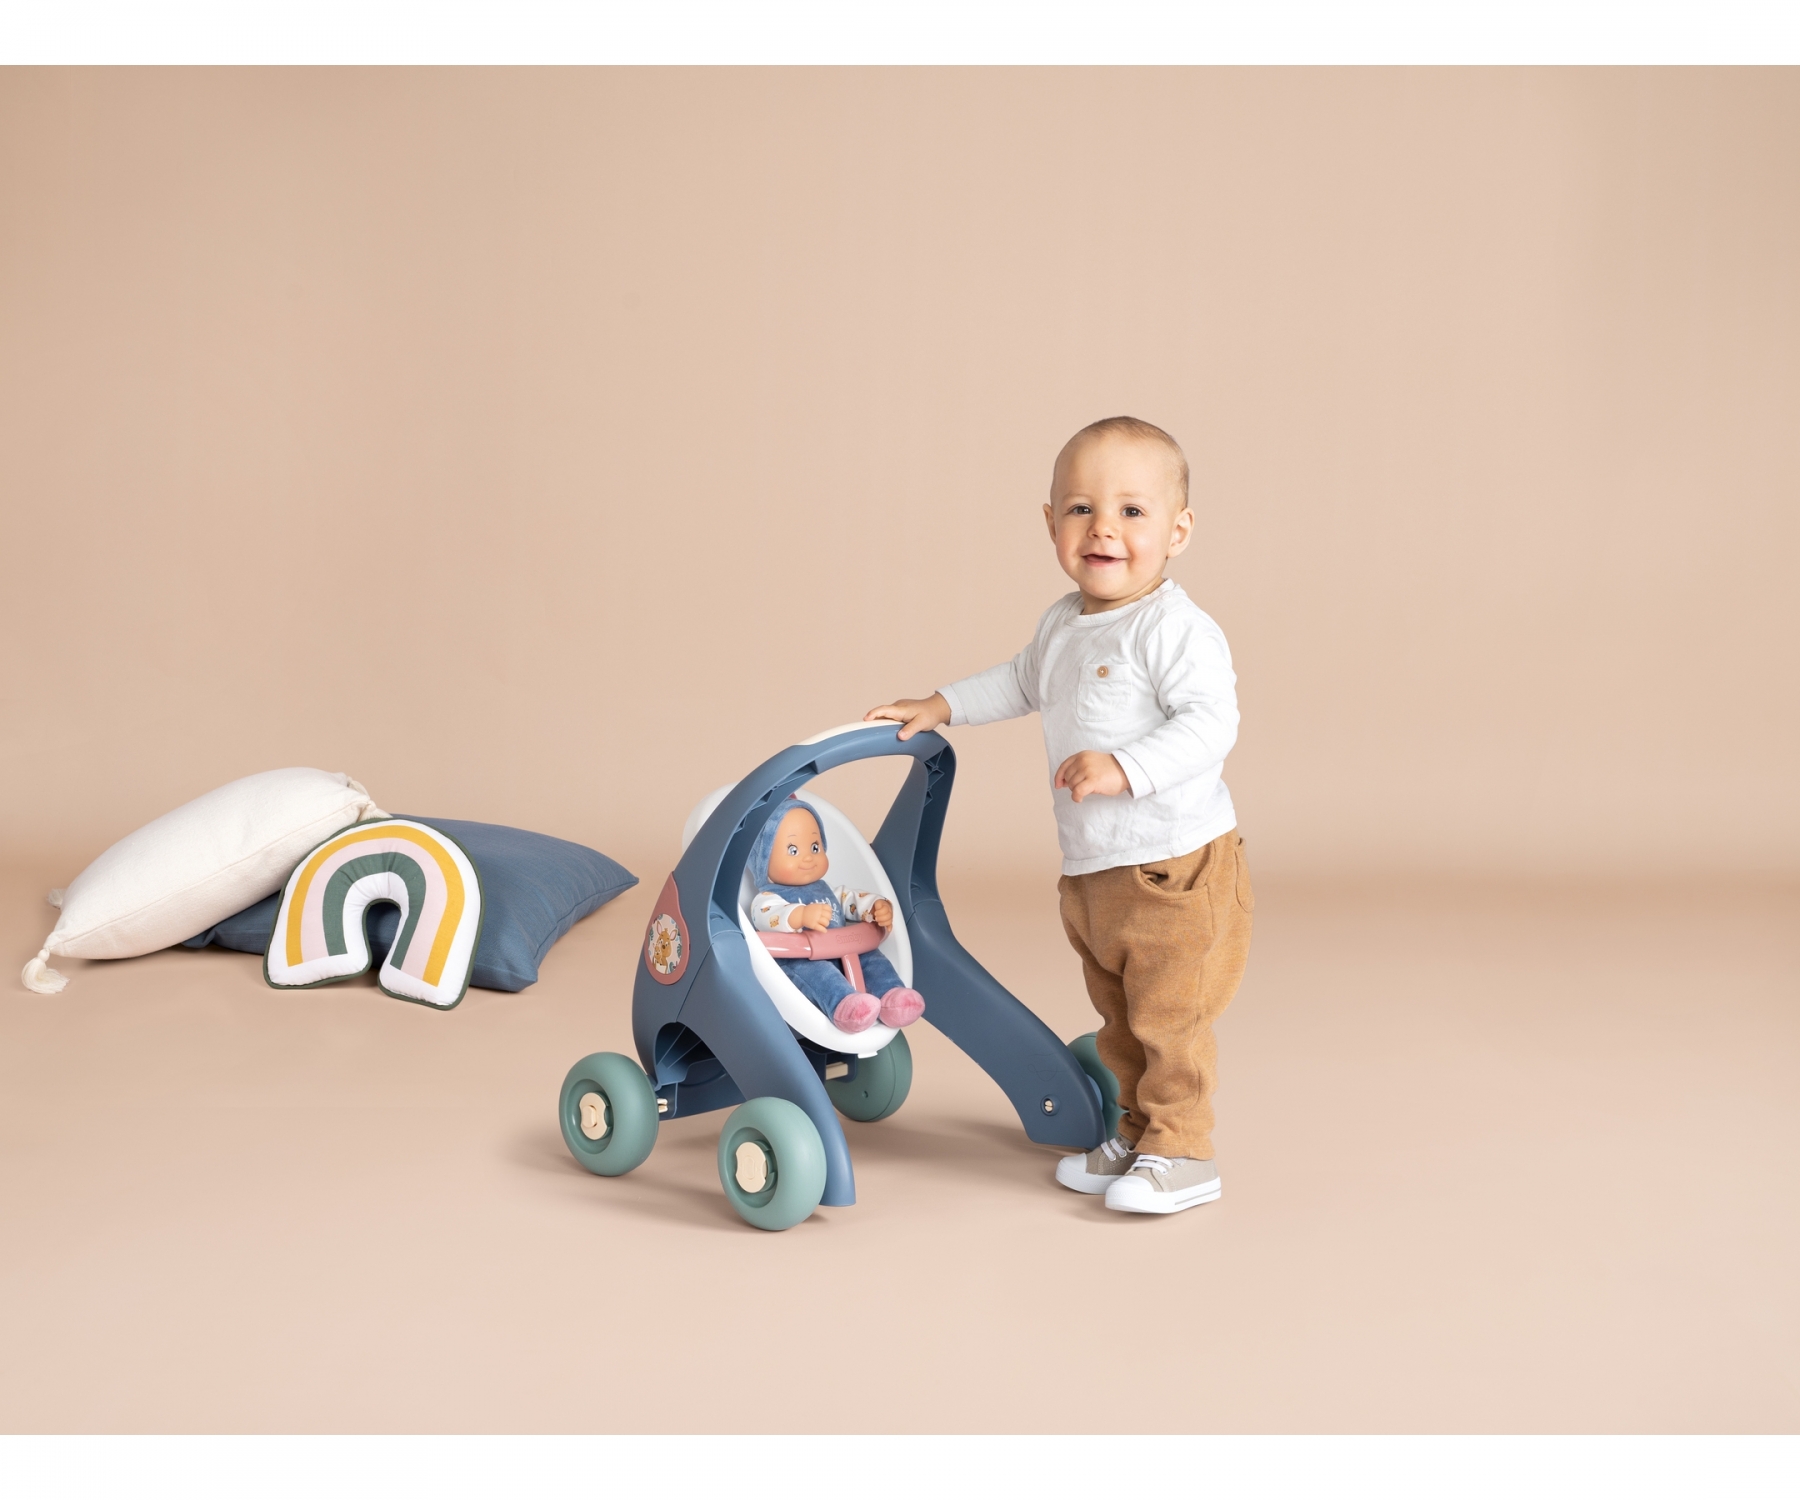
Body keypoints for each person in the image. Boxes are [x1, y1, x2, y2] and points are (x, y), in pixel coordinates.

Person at [866, 415, 1252, 1214]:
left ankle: (1184, 1150)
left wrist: (1125, 766)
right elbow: (1019, 681)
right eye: (1081, 509)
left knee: (1170, 1020)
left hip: (1174, 868)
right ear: (1051, 524)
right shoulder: (1063, 623)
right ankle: (1138, 1134)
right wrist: (942, 704)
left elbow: (1212, 724)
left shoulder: (1174, 628)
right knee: (1120, 1018)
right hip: (1097, 871)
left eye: (1132, 512)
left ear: (1178, 532)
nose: (1103, 528)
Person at [746, 795, 926, 1034]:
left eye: (815, 847)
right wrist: (800, 915)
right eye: (793, 850)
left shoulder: (827, 890)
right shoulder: (768, 897)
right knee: (820, 976)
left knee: (873, 960)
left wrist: (874, 907)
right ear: (763, 861)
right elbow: (766, 917)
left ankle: (892, 997)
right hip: (803, 959)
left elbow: (850, 899)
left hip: (845, 952)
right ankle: (845, 1007)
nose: (808, 857)